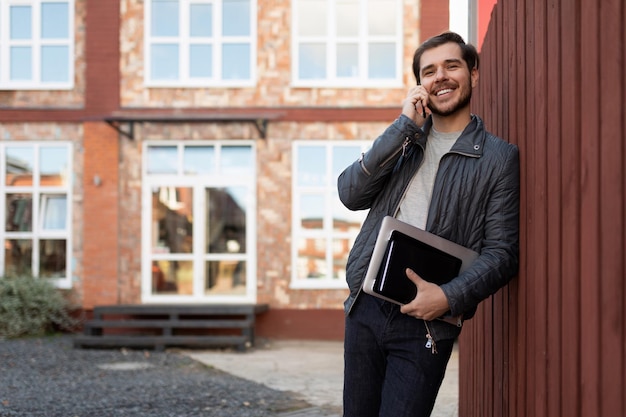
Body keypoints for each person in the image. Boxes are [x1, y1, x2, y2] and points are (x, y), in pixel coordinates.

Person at [337, 31, 520, 417]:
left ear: (474, 74)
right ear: (419, 84)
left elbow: (502, 253)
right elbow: (350, 194)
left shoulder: (499, 157)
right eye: (429, 71)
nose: (441, 77)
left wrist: (449, 297)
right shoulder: (404, 140)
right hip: (366, 306)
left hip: (428, 322)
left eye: (452, 66)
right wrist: (403, 125)